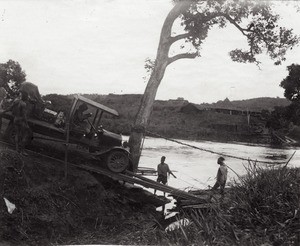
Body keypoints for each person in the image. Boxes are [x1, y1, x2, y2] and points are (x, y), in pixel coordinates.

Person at [1, 91, 30, 155]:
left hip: (16, 119)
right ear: (26, 97)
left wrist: (3, 112)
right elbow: (24, 115)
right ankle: (22, 151)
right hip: (21, 120)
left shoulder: (16, 101)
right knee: (24, 135)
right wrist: (27, 124)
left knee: (17, 134)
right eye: (28, 97)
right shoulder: (24, 104)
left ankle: (17, 149)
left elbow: (10, 108)